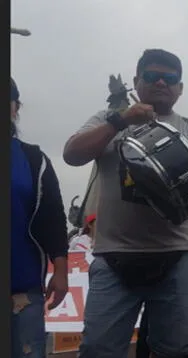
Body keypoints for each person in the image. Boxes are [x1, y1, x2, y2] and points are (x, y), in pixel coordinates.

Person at [63, 49, 188, 358]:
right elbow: (71, 154)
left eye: (170, 78)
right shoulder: (111, 118)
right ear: (137, 81)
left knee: (176, 350)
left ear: (180, 88)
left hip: (180, 257)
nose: (161, 82)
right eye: (152, 76)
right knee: (98, 349)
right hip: (115, 258)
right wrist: (119, 121)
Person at [11, 77, 69, 358]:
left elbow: (53, 218)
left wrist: (60, 270)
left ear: (15, 107)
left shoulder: (34, 159)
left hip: (23, 291)